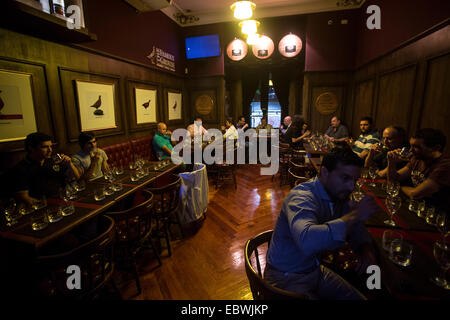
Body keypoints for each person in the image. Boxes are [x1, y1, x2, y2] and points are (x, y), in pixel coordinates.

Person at [264, 146, 380, 300]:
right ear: (324, 172)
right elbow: (307, 242)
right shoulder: (301, 197)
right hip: (285, 278)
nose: (351, 187)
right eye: (345, 178)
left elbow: (355, 228)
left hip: (314, 270)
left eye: (354, 180)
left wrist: (366, 249)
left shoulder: (337, 194)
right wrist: (357, 214)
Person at [11, 132, 80, 205]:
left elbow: (76, 177)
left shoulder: (53, 160)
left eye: (50, 146)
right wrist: (44, 206)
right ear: (31, 148)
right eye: (44, 147)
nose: (50, 150)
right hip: (42, 206)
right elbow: (24, 197)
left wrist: (70, 164)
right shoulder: (21, 168)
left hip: (64, 199)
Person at [387, 128, 450, 207]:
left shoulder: (445, 166)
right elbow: (394, 179)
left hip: (434, 213)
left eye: (416, 147)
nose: (410, 150)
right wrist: (391, 162)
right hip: (415, 206)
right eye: (411, 146)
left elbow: (415, 194)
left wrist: (398, 188)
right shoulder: (417, 158)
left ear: (436, 148)